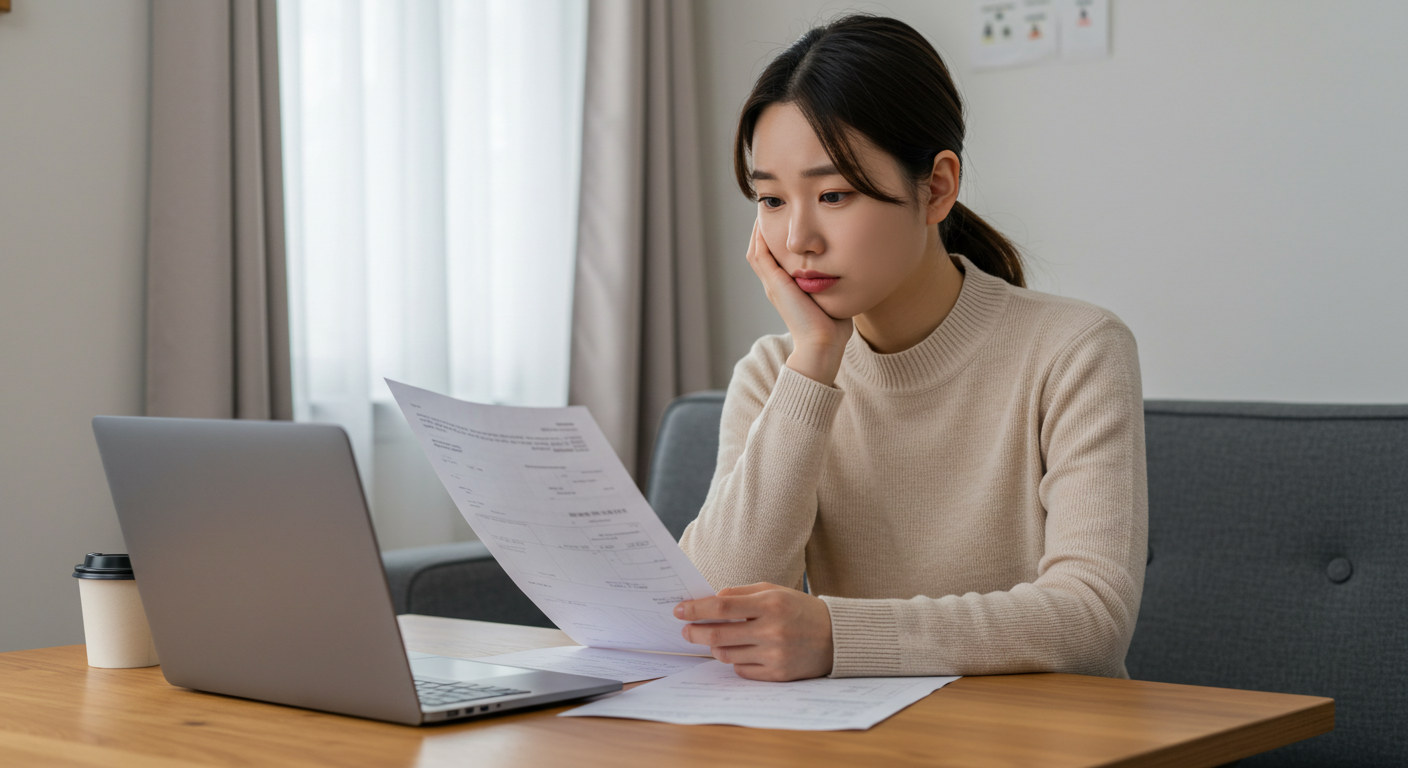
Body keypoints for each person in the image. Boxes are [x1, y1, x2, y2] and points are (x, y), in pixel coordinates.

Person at [673, 15, 1147, 682]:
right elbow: (717, 609)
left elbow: (1091, 618)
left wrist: (839, 636)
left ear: (936, 187)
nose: (798, 237)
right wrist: (812, 363)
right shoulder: (775, 374)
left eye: (833, 194)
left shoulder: (1075, 351)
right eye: (772, 199)